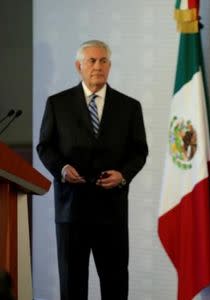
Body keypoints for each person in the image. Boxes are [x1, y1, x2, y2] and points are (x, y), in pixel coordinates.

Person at [37, 40, 148, 300]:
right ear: (79, 66)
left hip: (112, 210)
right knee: (72, 282)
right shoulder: (58, 104)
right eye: (91, 60)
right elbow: (45, 146)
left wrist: (123, 175)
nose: (97, 66)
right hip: (71, 209)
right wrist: (62, 168)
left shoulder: (129, 107)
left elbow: (139, 151)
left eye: (103, 61)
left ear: (109, 66)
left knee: (115, 281)